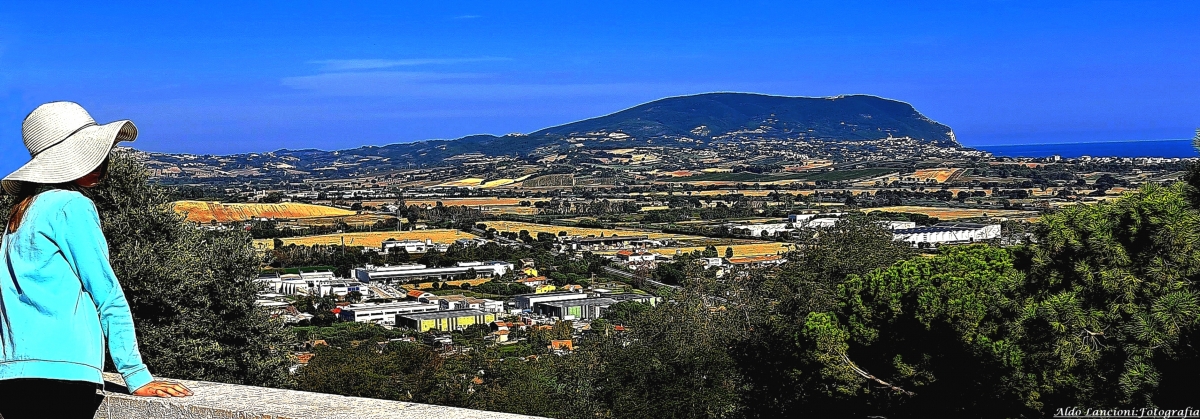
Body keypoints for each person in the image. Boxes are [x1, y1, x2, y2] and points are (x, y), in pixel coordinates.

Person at [0, 102, 192, 418]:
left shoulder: (21, 213)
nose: (103, 159)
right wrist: (135, 374)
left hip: (12, 376)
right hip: (62, 378)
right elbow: (107, 294)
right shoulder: (72, 206)